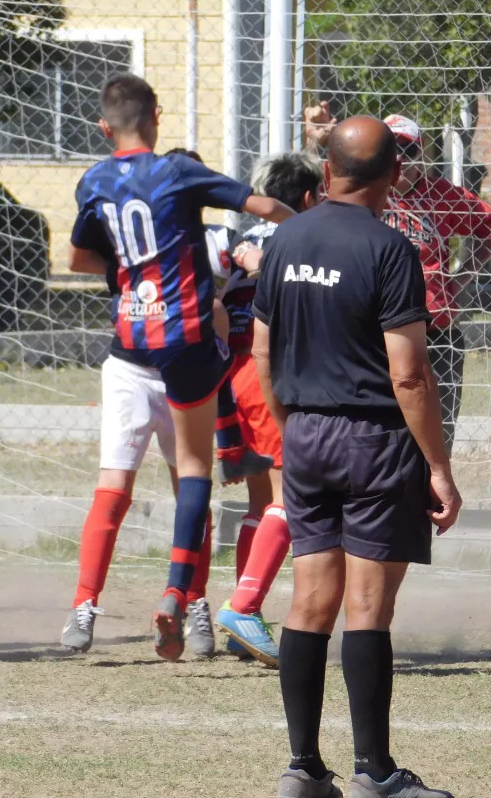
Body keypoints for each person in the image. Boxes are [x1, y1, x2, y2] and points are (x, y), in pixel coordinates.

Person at [252, 116, 462, 798]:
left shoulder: (284, 239)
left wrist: (293, 429)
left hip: (305, 436)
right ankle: (375, 772)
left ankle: (303, 768)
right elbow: (408, 375)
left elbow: (261, 351)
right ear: (394, 175)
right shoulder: (391, 249)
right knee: (367, 608)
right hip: (375, 441)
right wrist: (438, 466)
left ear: (326, 168)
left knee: (309, 601)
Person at [69, 74, 293, 660]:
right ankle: (178, 591)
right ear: (157, 117)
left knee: (116, 480)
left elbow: (76, 255)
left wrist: (128, 279)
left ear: (103, 126)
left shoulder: (93, 180)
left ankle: (87, 605)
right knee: (194, 470)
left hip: (131, 337)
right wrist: (319, 230)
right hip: (187, 336)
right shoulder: (177, 172)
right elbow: (263, 204)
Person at [213, 154, 323, 667]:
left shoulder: (243, 238)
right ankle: (245, 605)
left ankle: (243, 620)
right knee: (289, 497)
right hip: (266, 373)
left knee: (262, 504)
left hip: (232, 376)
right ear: (307, 199)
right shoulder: (297, 239)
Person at [382, 115, 491, 451]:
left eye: (406, 149)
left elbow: (490, 226)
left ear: (421, 153)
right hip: (380, 331)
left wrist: (462, 275)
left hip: (435, 327)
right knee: (386, 433)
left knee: (436, 432)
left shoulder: (441, 193)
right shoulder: (368, 195)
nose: (398, 160)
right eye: (389, 150)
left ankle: (432, 498)